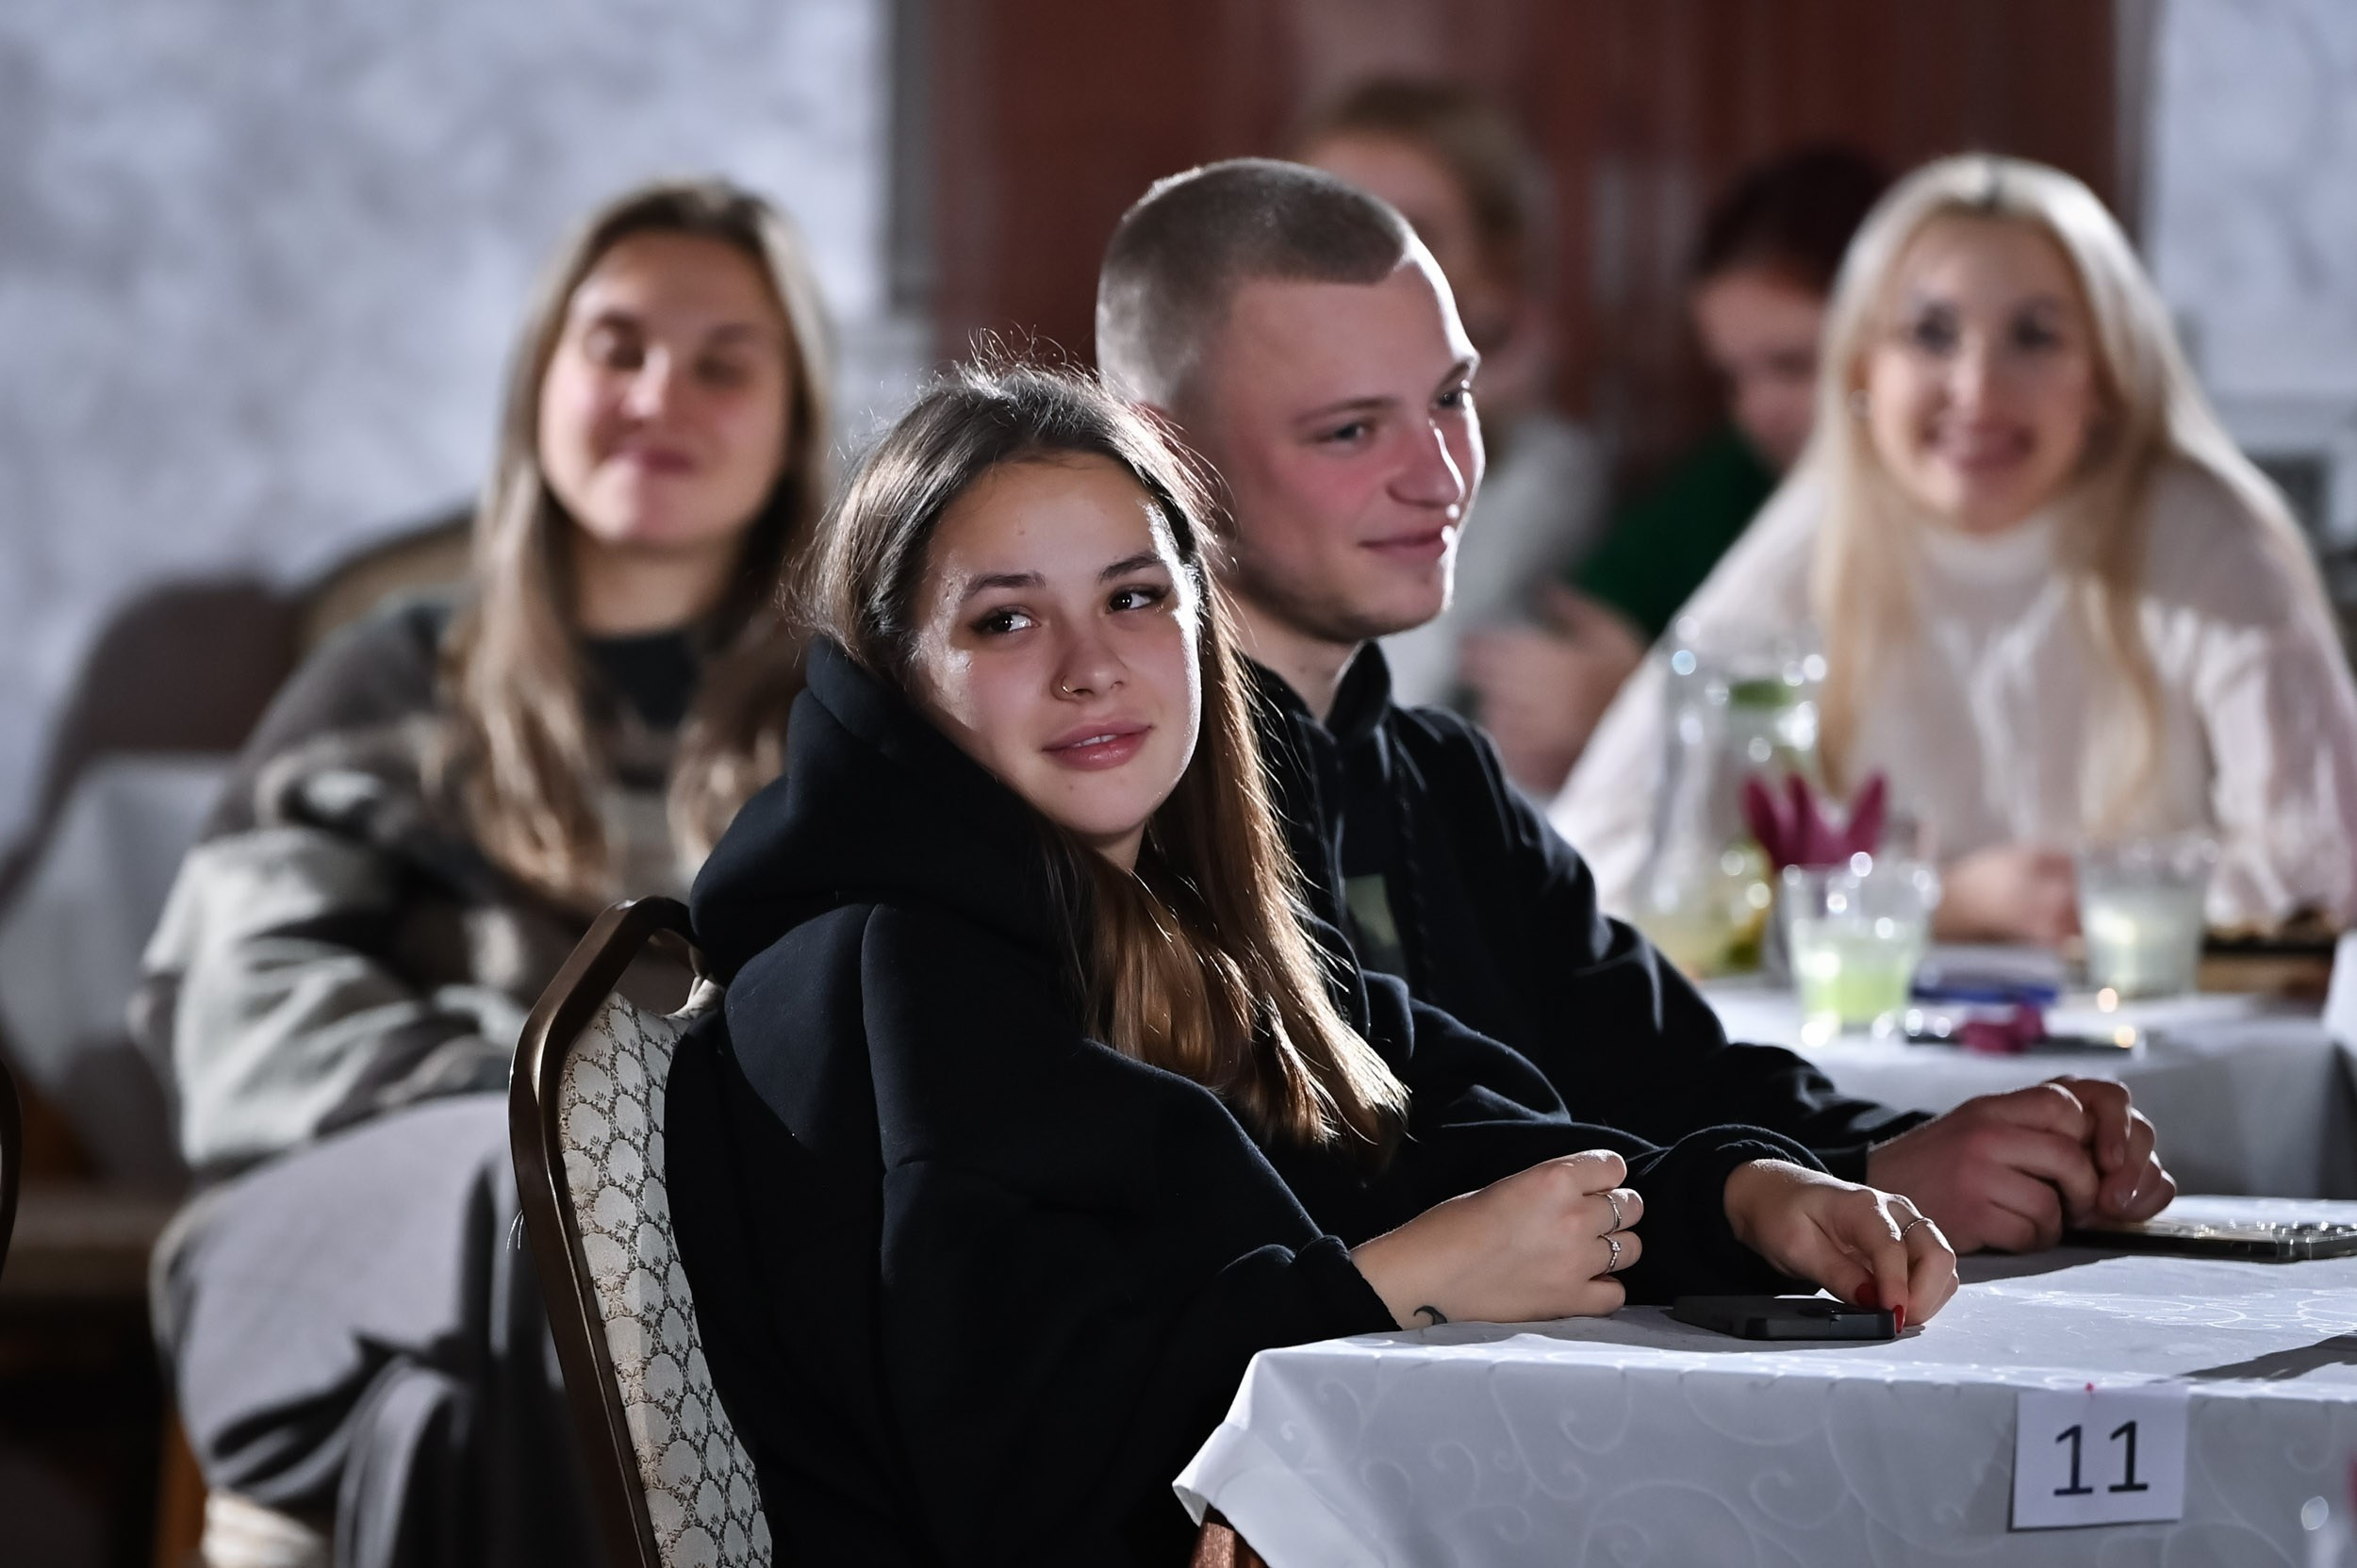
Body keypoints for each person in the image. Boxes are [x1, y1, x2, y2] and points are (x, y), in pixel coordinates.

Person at [666, 363, 1956, 1564]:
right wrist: (1394, 1284)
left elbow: (1444, 1135)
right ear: (896, 679)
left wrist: (1738, 1198)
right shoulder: (882, 972)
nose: (1091, 666)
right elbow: (1015, 1468)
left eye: (1134, 596)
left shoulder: (1168, 922)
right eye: (1005, 621)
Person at [1096, 157, 2175, 1257]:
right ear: (1169, 453)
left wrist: (1905, 1153)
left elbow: (1664, 1067)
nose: (1440, 475)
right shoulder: (1138, 807)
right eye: (1349, 431)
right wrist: (1836, 1180)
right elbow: (1397, 1165)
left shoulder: (1438, 775)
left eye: (1450, 399)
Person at [133, 178, 833, 1568]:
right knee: (538, 1188)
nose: (659, 394)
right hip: (341, 1225)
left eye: (723, 362)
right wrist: (538, 1105)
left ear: (796, 421)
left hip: (681, 1266)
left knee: (431, 1432)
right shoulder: (390, 672)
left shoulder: (846, 717)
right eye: (617, 346)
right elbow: (236, 1005)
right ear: (540, 385)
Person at [1555, 153, 2357, 943]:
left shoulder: (2204, 531)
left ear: (2107, 376)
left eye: (2035, 337)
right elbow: (1593, 856)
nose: (1977, 390)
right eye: (1930, 334)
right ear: (1864, 368)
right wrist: (1942, 901)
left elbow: (2326, 864)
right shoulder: (1818, 532)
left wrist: (2072, 895)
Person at [1459, 145, 1889, 793]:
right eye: (1733, 378)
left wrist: (1636, 708)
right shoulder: (1739, 476)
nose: (1759, 410)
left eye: (1795, 365)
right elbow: (1583, 634)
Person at [1288, 78, 1611, 718]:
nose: (1362, 265)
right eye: (1329, 226)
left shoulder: (1547, 469)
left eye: (1412, 232)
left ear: (1494, 269)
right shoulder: (1224, 441)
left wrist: (1463, 423)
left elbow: (1398, 692)